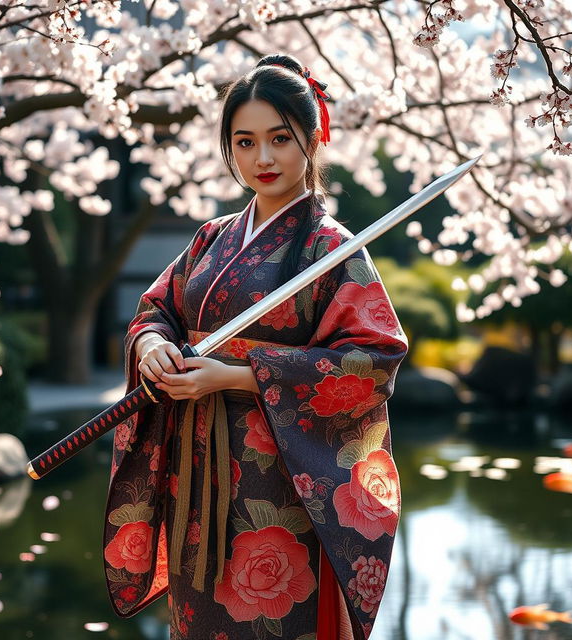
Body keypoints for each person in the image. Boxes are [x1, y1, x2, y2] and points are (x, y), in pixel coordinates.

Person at [102, 52, 408, 640]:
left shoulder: (333, 248)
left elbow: (374, 359)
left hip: (276, 475)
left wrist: (237, 377)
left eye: (280, 139)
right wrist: (151, 347)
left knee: (269, 613)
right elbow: (155, 308)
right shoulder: (210, 237)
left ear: (313, 138)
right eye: (244, 142)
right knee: (201, 610)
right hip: (194, 469)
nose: (262, 159)